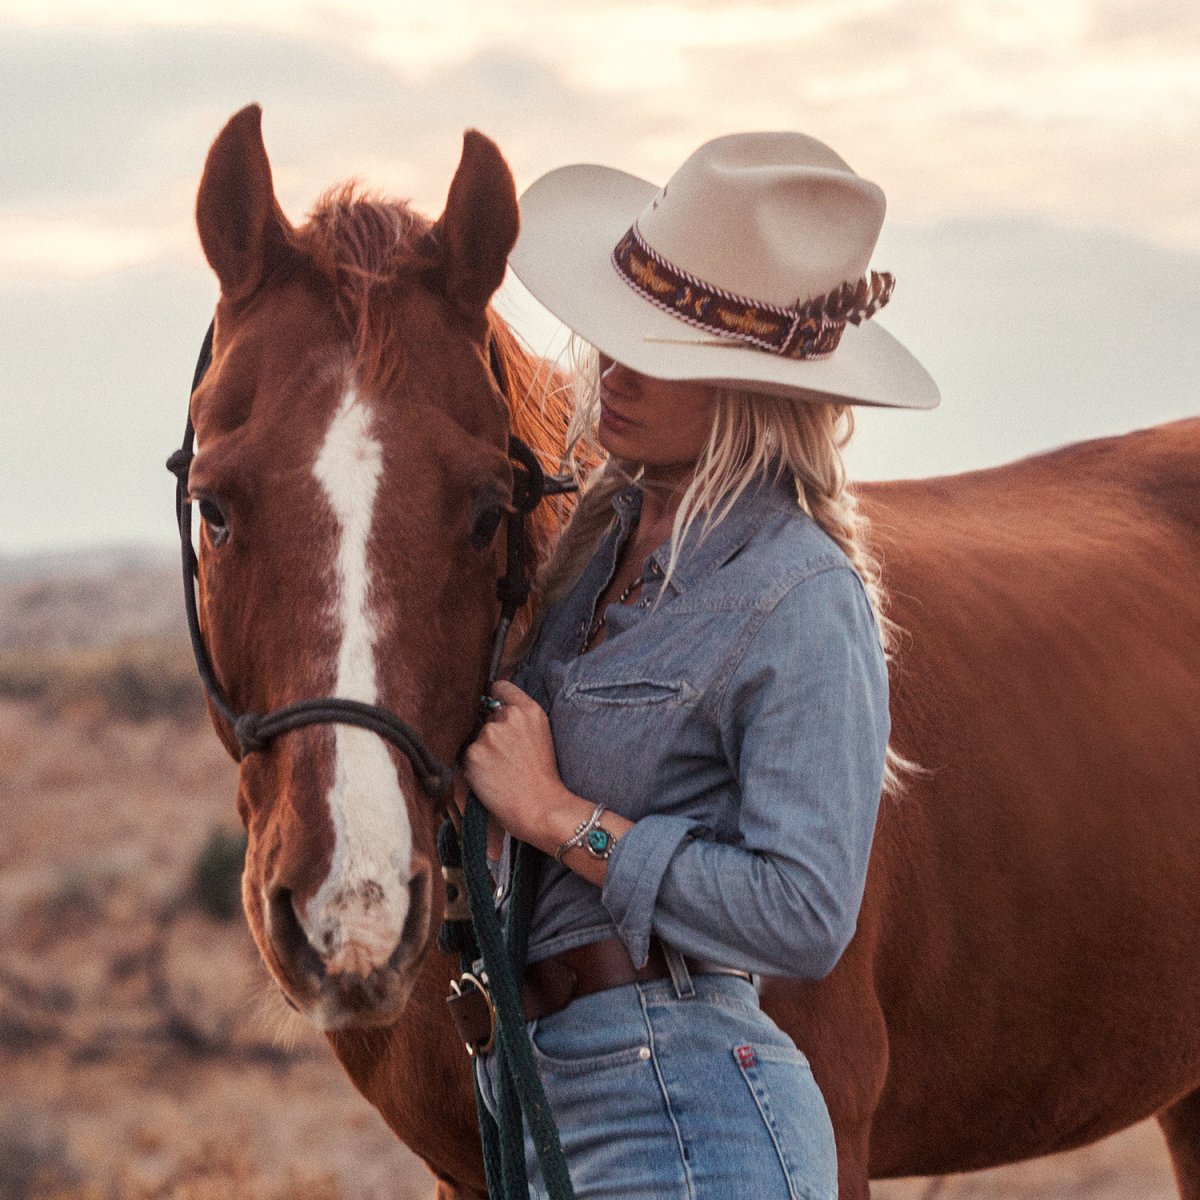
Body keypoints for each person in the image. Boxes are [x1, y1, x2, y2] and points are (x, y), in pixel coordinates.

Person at [461, 131, 939, 1200]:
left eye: (663, 353)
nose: (613, 369)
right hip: (545, 1097)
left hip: (683, 1113)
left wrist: (559, 817)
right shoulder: (598, 548)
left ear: (751, 389)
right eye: (616, 333)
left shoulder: (800, 592)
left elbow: (804, 916)